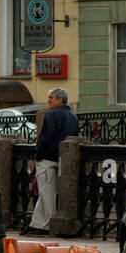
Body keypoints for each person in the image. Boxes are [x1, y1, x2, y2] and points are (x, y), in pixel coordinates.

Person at [26, 88, 79, 236]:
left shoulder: (52, 114)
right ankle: (36, 224)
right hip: (65, 158)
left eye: (51, 98)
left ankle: (51, 223)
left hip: (48, 158)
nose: (48, 100)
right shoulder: (72, 116)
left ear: (60, 100)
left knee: (47, 192)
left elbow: (46, 137)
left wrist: (38, 153)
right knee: (47, 192)